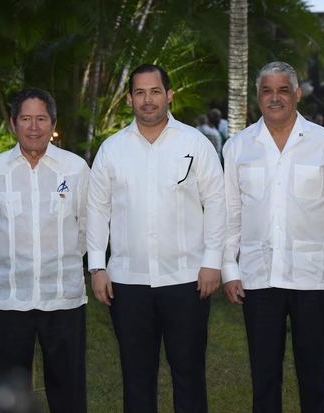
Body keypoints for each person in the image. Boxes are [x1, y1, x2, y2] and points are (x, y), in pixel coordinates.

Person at [87, 63, 225, 413]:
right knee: (136, 377)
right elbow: (97, 210)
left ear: (169, 95)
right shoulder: (112, 149)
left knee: (189, 374)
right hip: (128, 281)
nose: (147, 100)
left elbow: (218, 204)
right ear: (130, 99)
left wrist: (212, 262)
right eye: (140, 93)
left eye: (154, 91)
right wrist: (97, 267)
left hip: (186, 280)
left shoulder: (196, 142)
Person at [222, 61, 324, 413]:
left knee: (313, 376)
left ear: (297, 94)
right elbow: (230, 215)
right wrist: (229, 271)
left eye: (283, 90)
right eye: (267, 90)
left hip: (314, 276)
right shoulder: (237, 146)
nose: (275, 97)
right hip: (257, 276)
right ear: (258, 97)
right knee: (264, 378)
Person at [0, 88, 89, 413]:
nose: (34, 127)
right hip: (9, 298)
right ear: (13, 123)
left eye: (41, 119)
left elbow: (85, 228)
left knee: (68, 391)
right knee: (9, 394)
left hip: (63, 296)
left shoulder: (75, 168)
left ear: (53, 123)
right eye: (26, 118)